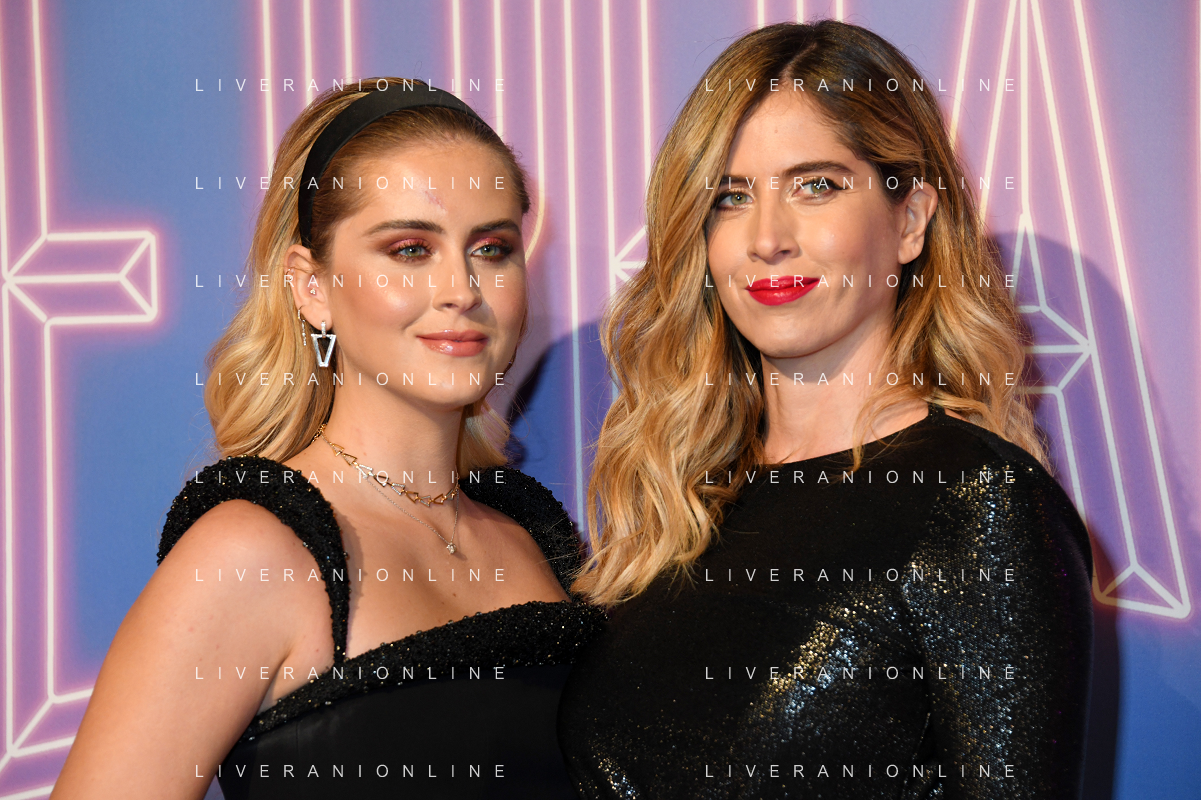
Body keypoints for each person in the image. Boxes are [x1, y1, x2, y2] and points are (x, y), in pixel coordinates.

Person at [558, 20, 1093, 799]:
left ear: (909, 219)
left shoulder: (975, 502)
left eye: (816, 185)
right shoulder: (681, 503)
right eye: (730, 197)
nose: (767, 238)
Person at [54, 78, 603, 800]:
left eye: (493, 248)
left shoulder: (534, 533)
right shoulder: (254, 552)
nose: (462, 289)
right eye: (410, 249)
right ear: (311, 287)